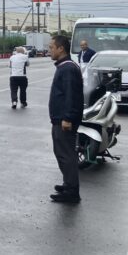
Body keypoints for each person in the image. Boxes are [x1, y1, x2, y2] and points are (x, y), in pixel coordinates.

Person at [47, 34, 84, 204]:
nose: (49, 51)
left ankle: (72, 192)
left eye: (51, 48)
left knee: (66, 155)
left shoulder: (68, 68)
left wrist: (67, 118)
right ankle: (68, 184)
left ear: (61, 48)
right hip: (59, 119)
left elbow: (71, 95)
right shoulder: (64, 66)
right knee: (62, 153)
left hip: (64, 120)